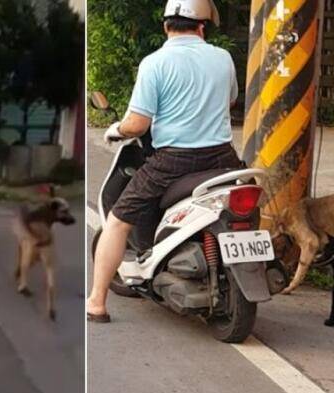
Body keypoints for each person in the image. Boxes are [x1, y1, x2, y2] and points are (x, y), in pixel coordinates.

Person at [87, 0, 241, 323]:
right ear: (203, 26)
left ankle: (97, 302)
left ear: (165, 26)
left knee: (117, 220)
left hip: (174, 161)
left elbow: (137, 125)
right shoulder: (223, 58)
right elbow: (230, 99)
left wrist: (115, 129)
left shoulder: (155, 63)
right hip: (224, 157)